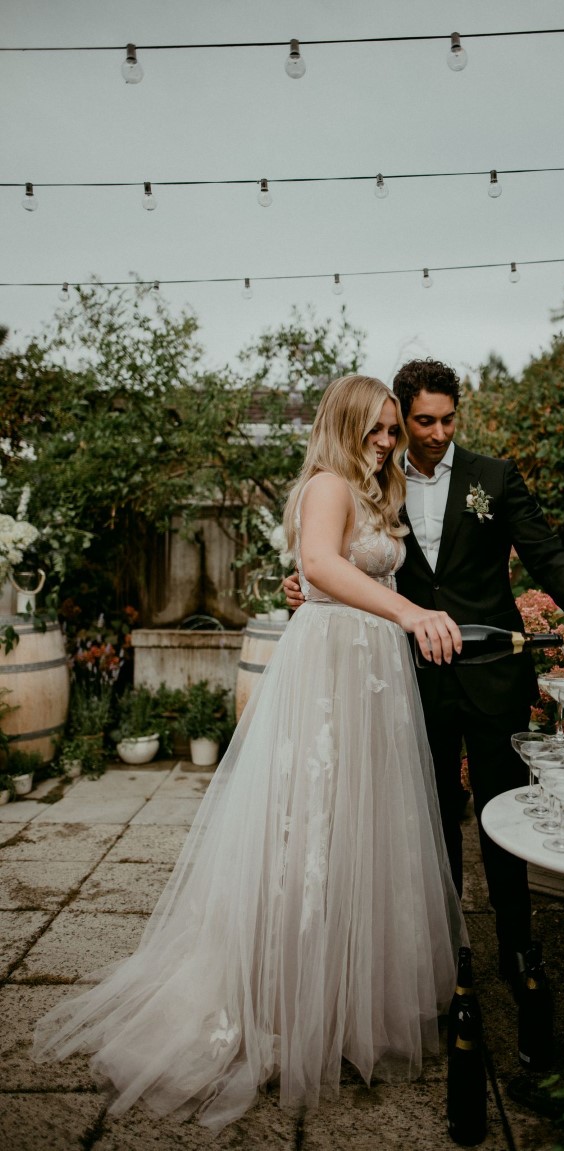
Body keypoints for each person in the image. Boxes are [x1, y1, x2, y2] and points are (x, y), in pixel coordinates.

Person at [32, 375, 467, 1133]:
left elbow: (341, 571)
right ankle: (281, 1002)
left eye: (393, 431)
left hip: (374, 677)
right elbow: (324, 567)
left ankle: (345, 997)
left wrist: (391, 608)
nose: (388, 442)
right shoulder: (329, 483)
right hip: (330, 672)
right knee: (309, 831)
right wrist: (406, 610)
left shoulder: (377, 490)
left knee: (361, 833)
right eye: (378, 429)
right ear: (344, 425)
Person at [285, 358, 564, 997]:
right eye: (423, 420)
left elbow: (548, 556)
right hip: (412, 678)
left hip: (495, 677)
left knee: (506, 815)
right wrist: (309, 584)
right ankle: (445, 952)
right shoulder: (373, 479)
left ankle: (518, 946)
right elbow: (338, 556)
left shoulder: (493, 478)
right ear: (398, 415)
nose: (438, 432)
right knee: (428, 818)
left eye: (449, 419)